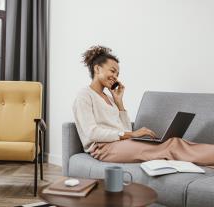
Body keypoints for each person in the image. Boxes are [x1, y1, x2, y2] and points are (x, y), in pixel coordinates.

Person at [73, 45, 214, 166]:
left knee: (173, 141)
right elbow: (91, 132)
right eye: (112, 70)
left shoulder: (109, 98)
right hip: (103, 148)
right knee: (170, 147)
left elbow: (126, 130)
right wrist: (131, 134)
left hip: (119, 144)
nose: (116, 76)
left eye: (117, 73)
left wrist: (119, 102)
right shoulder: (84, 95)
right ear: (97, 69)